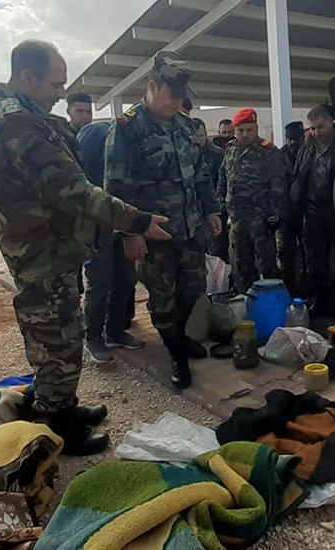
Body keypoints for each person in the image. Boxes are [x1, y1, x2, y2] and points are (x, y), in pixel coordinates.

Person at [0, 40, 171, 454]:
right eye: (56, 84)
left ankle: (61, 404)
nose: (62, 93)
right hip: (40, 252)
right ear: (28, 78)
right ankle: (55, 424)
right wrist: (135, 221)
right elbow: (74, 191)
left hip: (50, 248)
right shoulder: (16, 123)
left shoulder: (22, 114)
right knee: (55, 339)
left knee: (61, 332)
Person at [105, 51, 223, 390]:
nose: (178, 102)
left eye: (181, 96)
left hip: (190, 229)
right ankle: (176, 354)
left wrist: (212, 210)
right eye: (172, 95)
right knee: (162, 297)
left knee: (193, 290)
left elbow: (201, 175)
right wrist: (130, 232)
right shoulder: (128, 129)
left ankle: (179, 337)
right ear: (152, 86)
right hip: (153, 234)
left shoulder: (185, 128)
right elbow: (114, 187)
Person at [75, 121, 144, 363]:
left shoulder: (130, 144)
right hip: (97, 225)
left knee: (126, 278)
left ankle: (115, 330)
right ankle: (93, 336)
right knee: (99, 282)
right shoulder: (95, 136)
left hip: (122, 224)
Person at [217, 108, 287, 292]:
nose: (245, 134)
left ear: (256, 129)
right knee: (241, 264)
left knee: (267, 264)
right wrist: (221, 208)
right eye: (241, 130)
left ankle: (272, 300)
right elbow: (223, 179)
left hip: (260, 218)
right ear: (235, 130)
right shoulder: (230, 150)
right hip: (237, 218)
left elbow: (278, 185)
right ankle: (248, 300)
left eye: (250, 130)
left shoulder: (268, 152)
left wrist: (275, 214)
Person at [292, 105, 335, 316]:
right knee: (315, 259)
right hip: (312, 208)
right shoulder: (308, 147)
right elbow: (299, 175)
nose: (317, 132)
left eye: (321, 127)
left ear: (331, 122)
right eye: (313, 128)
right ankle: (321, 300)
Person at [277, 121, 308, 295]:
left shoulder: (310, 152)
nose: (292, 143)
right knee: (285, 252)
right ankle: (287, 289)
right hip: (285, 212)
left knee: (307, 253)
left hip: (306, 211)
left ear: (302, 137)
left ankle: (306, 289)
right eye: (289, 139)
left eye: (295, 139)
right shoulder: (279, 155)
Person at [193, 118, 229, 262]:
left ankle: (222, 283)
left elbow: (223, 182)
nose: (198, 140)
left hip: (214, 211)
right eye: (194, 136)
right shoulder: (185, 155)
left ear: (206, 134)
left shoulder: (218, 154)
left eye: (201, 136)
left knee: (217, 253)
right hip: (193, 214)